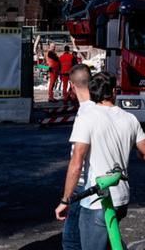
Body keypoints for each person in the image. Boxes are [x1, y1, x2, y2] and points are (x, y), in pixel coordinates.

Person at [55, 72, 145, 250]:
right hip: (122, 198)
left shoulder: (87, 118)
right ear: (114, 92)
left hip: (97, 202)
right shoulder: (129, 118)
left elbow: (76, 163)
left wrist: (65, 201)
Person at [58, 64, 95, 250]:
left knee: (72, 242)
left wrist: (65, 199)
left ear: (72, 86)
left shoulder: (84, 115)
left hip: (83, 187)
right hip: (103, 184)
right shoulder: (103, 109)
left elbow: (77, 162)